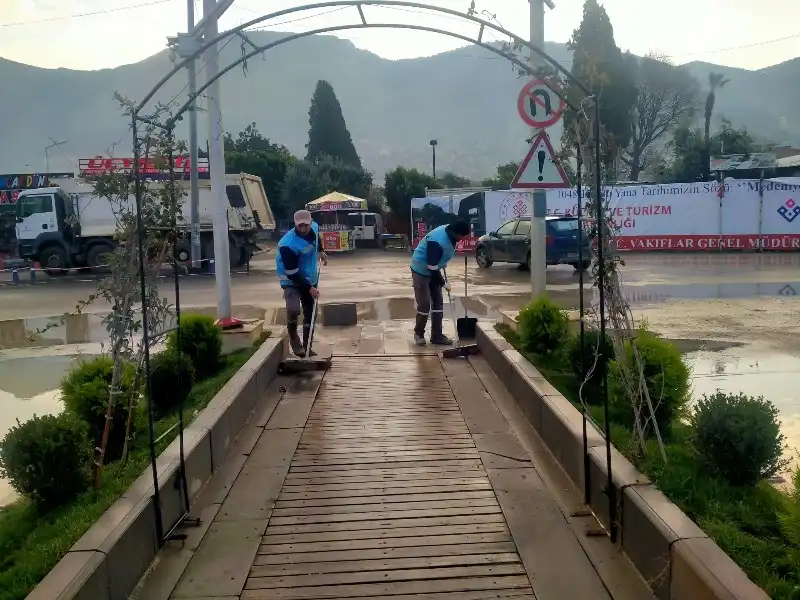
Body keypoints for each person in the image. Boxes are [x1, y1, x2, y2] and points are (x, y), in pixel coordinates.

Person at [409, 220, 471, 346]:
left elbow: (436, 261)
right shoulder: (437, 241)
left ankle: (437, 336)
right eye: (461, 236)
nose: (462, 238)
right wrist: (443, 283)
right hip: (421, 270)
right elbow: (431, 266)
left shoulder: (449, 230)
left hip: (434, 268)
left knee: (438, 302)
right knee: (424, 304)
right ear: (456, 232)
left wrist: (442, 262)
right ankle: (419, 334)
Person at [276, 209, 328, 356]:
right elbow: (292, 273)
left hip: (309, 276)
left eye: (306, 225)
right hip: (291, 279)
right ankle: (295, 341)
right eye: (300, 226)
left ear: (311, 223)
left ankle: (307, 348)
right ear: (295, 225)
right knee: (293, 310)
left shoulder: (315, 227)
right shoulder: (287, 244)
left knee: (311, 312)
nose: (304, 228)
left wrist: (321, 251)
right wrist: (309, 288)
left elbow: (316, 238)